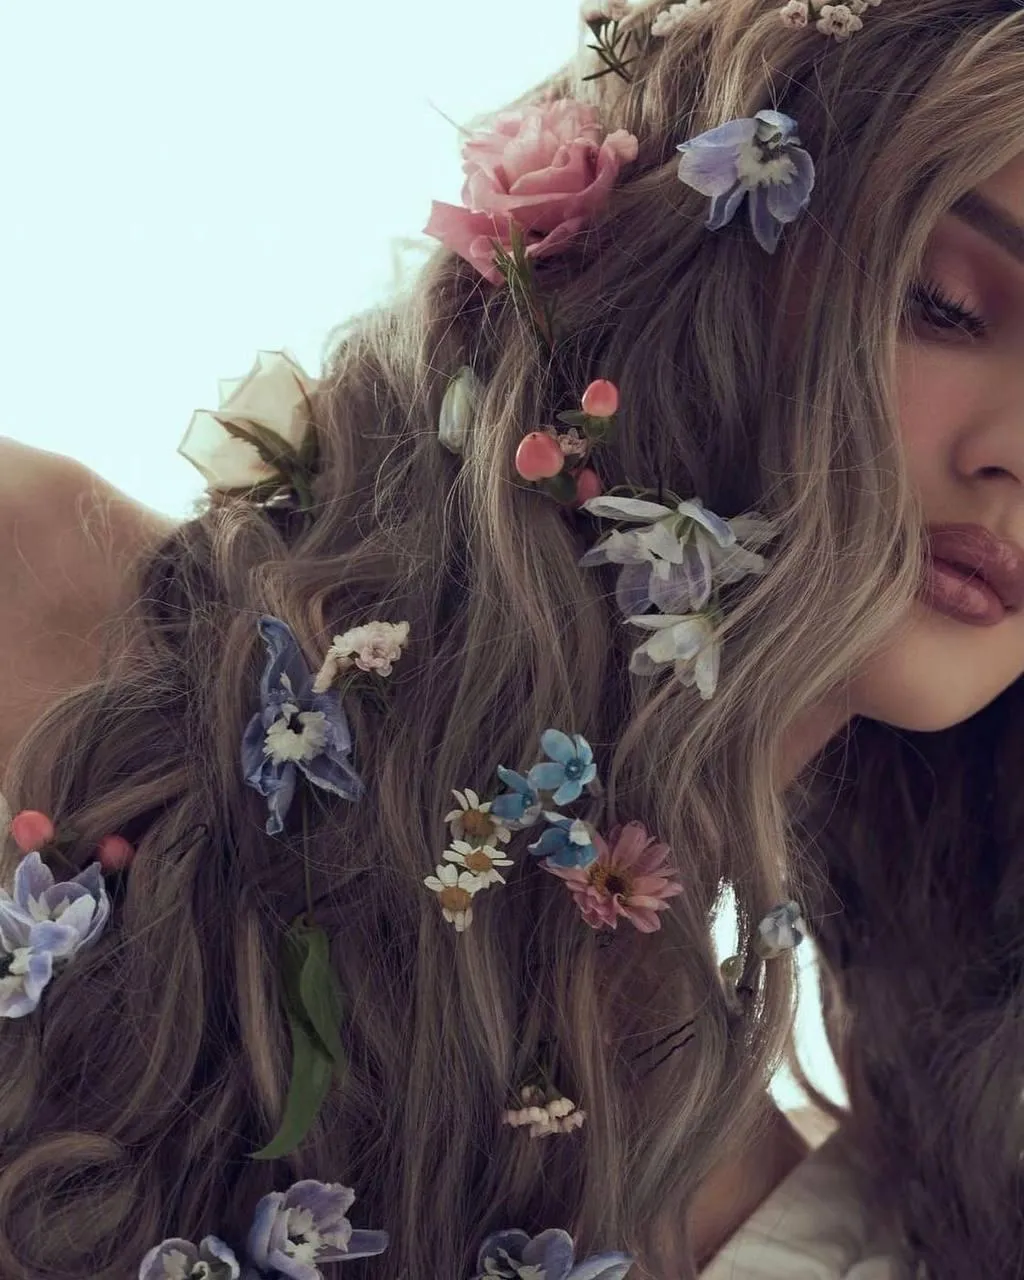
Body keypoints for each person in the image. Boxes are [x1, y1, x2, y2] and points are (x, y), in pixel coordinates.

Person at [1, 0, 1023, 1275]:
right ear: (681, 266)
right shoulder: (36, 603)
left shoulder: (883, 1237)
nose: (1012, 450)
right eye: (943, 302)